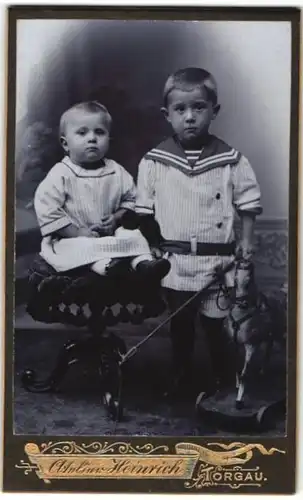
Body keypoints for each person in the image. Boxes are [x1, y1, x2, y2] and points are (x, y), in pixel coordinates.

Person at [136, 67, 262, 397]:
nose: (189, 117)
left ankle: (223, 378)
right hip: (176, 261)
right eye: (180, 110)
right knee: (180, 324)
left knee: (216, 324)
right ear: (167, 115)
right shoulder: (155, 162)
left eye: (199, 108)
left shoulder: (231, 161)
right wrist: (153, 247)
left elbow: (248, 204)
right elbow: (144, 212)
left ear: (214, 110)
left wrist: (246, 244)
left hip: (217, 263)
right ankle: (181, 375)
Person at [34, 101, 170, 280]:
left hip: (111, 234)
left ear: (108, 139)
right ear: (65, 144)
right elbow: (47, 209)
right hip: (73, 237)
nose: (92, 138)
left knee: (132, 235)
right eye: (82, 133)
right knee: (81, 248)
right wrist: (76, 232)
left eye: (99, 132)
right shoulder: (61, 174)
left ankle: (143, 263)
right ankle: (109, 267)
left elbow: (132, 199)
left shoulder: (116, 170)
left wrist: (116, 218)